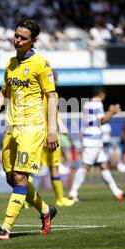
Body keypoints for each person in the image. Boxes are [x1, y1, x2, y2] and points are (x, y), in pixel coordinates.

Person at [0, 19, 59, 240]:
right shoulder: (10, 63)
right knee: (12, 178)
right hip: (11, 127)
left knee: (20, 177)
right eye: (16, 35)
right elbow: (4, 94)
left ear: (33, 41)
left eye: (23, 38)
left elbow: (52, 97)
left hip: (33, 128)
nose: (17, 40)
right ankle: (46, 210)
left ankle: (6, 228)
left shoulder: (41, 64)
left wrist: (52, 130)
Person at [68, 87, 125, 202]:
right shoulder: (97, 104)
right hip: (92, 141)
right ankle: (72, 192)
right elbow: (102, 120)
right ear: (101, 94)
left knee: (103, 166)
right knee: (85, 166)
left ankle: (117, 192)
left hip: (92, 139)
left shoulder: (87, 104)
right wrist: (112, 112)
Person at [39, 70, 75, 207]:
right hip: (49, 135)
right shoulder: (50, 94)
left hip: (37, 134)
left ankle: (25, 200)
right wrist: (60, 127)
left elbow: (55, 112)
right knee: (53, 167)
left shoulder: (38, 93)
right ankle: (60, 199)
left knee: (32, 168)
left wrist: (62, 126)